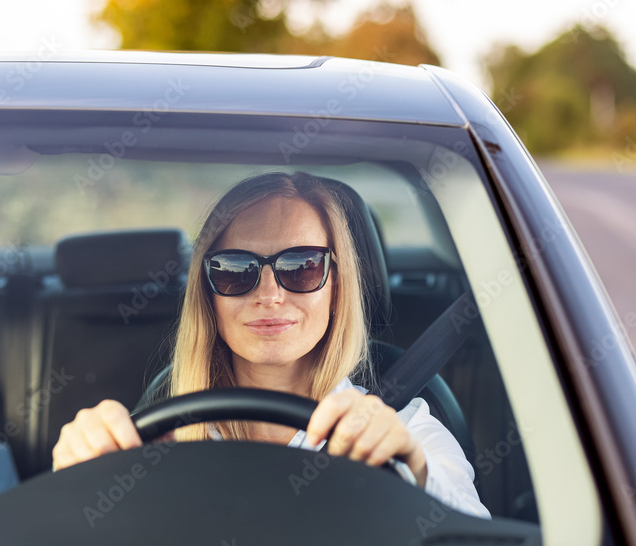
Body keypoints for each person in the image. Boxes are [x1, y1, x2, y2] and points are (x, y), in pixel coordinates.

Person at [51, 171, 489, 518]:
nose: (269, 295)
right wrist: (77, 483)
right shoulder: (153, 446)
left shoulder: (405, 428)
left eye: (301, 266)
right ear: (208, 294)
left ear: (336, 285)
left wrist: (412, 470)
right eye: (235, 270)